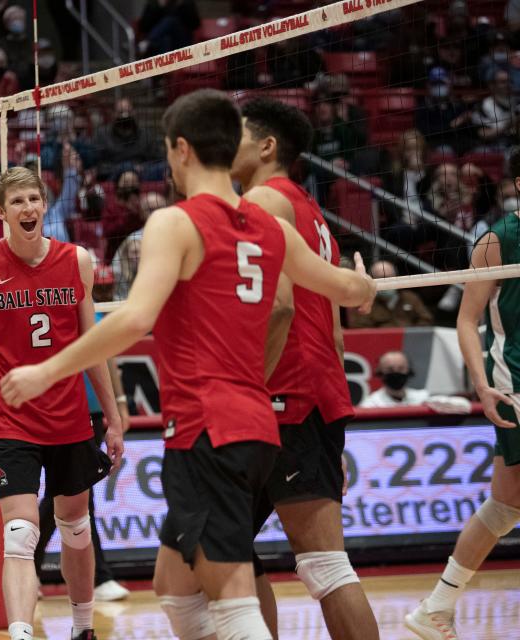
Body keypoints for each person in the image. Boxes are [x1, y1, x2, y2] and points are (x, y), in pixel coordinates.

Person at [0, 89, 376, 640]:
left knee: (232, 598)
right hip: (259, 426)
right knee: (175, 587)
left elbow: (132, 320)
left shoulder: (176, 223)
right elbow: (346, 287)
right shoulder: (271, 226)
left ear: (181, 150)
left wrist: (46, 371)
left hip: (207, 428)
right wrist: (365, 283)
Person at [0, 166, 124, 640]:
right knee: (20, 536)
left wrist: (113, 417)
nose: (28, 209)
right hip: (11, 424)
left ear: (45, 206)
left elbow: (93, 344)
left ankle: (83, 628)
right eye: (17, 202)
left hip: (70, 421)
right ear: (1, 213)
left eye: (34, 200)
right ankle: (22, 634)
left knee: (75, 529)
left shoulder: (77, 261)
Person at [228, 97, 379, 640]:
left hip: (282, 397)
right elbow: (335, 329)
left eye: (238, 134)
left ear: (267, 147)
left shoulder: (264, 201)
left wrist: (248, 386)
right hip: (309, 394)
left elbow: (281, 306)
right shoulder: (314, 215)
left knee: (323, 565)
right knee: (221, 555)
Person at [405, 147, 520, 640]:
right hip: (515, 378)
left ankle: (436, 607)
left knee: (505, 506)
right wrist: (482, 384)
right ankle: (435, 607)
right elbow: (467, 319)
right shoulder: (501, 238)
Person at [34, 264, 131, 603]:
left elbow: (110, 362)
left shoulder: (105, 318)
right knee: (73, 493)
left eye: (105, 289)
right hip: (65, 410)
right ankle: (95, 577)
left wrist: (117, 408)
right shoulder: (66, 308)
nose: (102, 294)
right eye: (98, 289)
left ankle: (40, 567)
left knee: (73, 493)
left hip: (93, 414)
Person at [348, 260, 433, 328]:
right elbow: (359, 327)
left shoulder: (410, 297)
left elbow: (426, 319)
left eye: (389, 277)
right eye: (380, 278)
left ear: (396, 277)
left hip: (409, 343)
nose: (386, 282)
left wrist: (412, 335)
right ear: (372, 280)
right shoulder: (365, 302)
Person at [360, 351, 429, 408]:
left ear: (409, 371)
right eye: (390, 369)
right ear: (380, 373)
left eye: (401, 369)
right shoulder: (371, 405)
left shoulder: (423, 398)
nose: (396, 373)